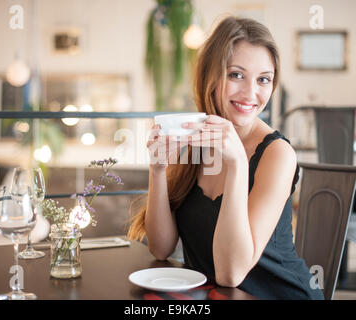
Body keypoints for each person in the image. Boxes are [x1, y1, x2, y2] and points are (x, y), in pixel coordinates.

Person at [127, 16, 324, 300]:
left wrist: (237, 165)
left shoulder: (277, 154)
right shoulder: (198, 140)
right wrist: (157, 171)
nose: (250, 93)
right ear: (211, 76)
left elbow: (231, 274)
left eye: (263, 79)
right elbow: (160, 248)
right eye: (236, 75)